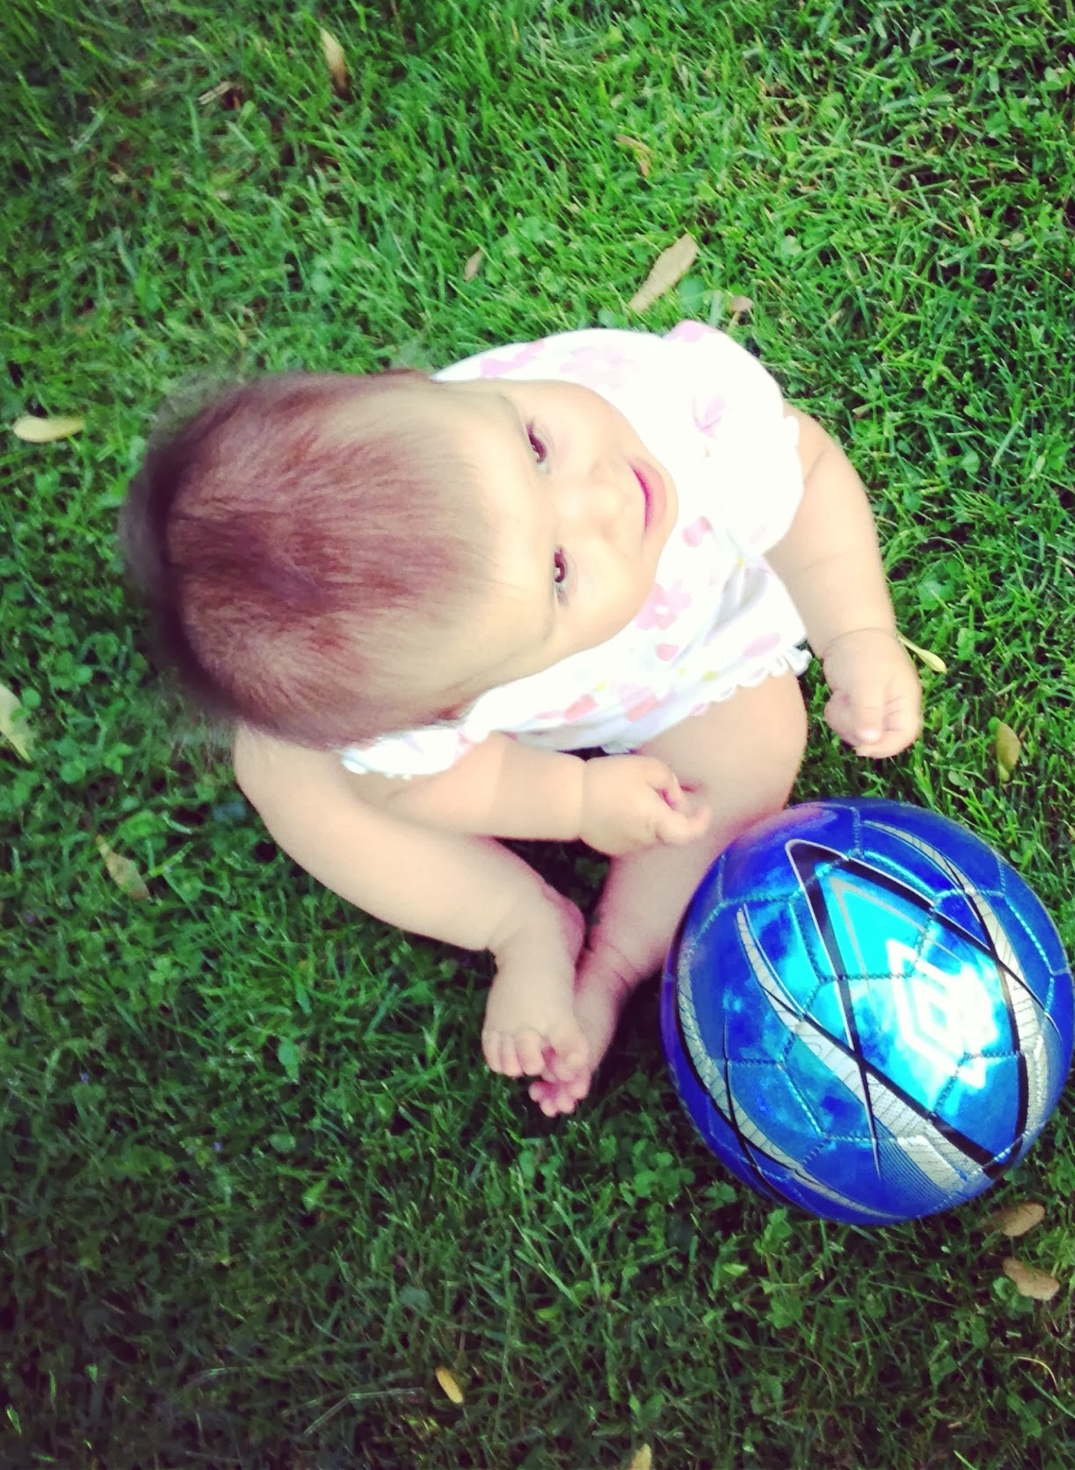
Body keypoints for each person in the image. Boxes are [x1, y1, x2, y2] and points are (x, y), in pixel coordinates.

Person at [121, 321, 922, 1114]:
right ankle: (522, 923)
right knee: (282, 768)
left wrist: (856, 633)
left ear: (414, 385)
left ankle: (611, 967)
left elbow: (807, 476)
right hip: (522, 704)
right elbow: (433, 781)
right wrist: (572, 800)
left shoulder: (678, 423)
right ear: (446, 707)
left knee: (753, 747)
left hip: (693, 652)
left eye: (537, 451)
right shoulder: (414, 689)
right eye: (561, 570)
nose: (604, 494)